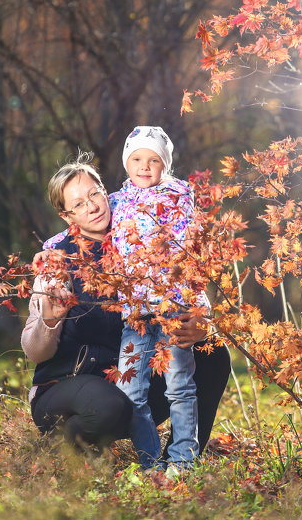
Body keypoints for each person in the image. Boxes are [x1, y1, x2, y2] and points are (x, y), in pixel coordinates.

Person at [21, 152, 231, 458]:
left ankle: (182, 458)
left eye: (94, 194)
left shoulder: (138, 238)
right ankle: (64, 450)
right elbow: (34, 351)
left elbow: (181, 282)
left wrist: (202, 321)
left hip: (129, 378)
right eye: (78, 204)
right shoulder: (59, 260)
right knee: (109, 405)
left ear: (107, 193)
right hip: (66, 385)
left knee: (213, 354)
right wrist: (50, 320)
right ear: (67, 216)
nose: (91, 206)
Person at [110, 126, 208, 470]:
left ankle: (183, 458)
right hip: (135, 314)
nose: (144, 166)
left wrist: (197, 303)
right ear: (126, 163)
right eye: (136, 158)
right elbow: (83, 226)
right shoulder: (116, 201)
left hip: (173, 309)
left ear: (165, 164)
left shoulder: (178, 195)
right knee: (129, 390)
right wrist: (51, 246)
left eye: (154, 160)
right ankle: (150, 461)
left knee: (179, 387)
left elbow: (189, 250)